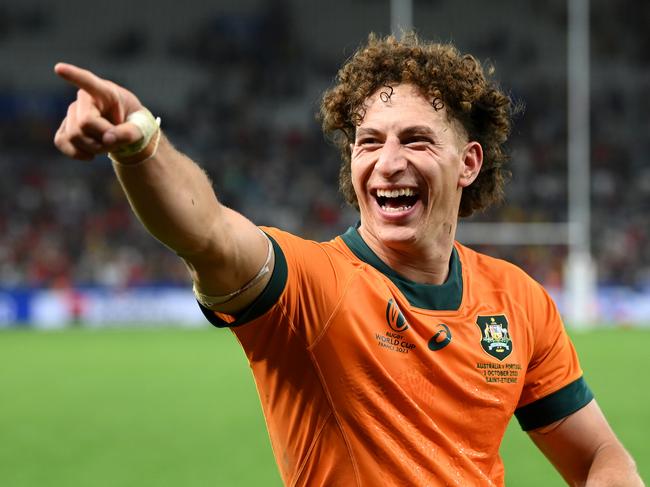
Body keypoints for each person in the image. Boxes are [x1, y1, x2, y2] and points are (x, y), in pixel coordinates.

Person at [53, 33, 642, 486]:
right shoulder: (312, 288)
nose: (387, 162)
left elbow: (598, 454)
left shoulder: (518, 300)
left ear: (468, 163)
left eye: (415, 139)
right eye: (368, 142)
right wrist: (139, 144)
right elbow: (207, 232)